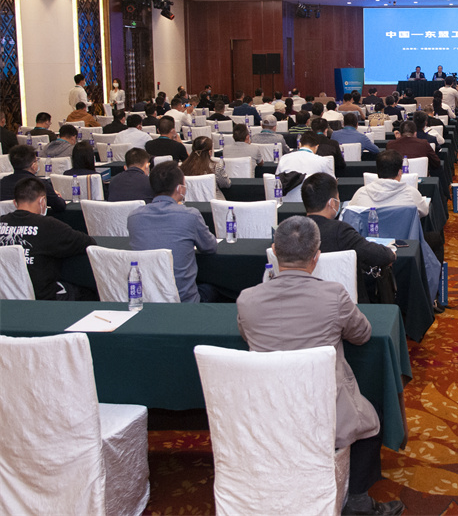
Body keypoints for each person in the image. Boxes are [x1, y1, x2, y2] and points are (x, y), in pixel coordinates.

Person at [236, 216, 404, 516]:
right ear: (317, 257)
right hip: (324, 410)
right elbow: (363, 334)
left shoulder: (247, 299)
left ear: (274, 252)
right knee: (372, 418)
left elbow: (246, 334)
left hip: (267, 410)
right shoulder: (334, 295)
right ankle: (357, 501)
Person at [126, 161, 219, 303]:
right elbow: (210, 247)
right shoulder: (190, 215)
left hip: (147, 298)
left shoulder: (134, 217)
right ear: (180, 189)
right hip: (184, 301)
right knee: (216, 288)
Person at [301, 173, 398, 305]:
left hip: (303, 303)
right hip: (346, 306)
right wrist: (391, 254)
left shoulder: (291, 231)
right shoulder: (340, 231)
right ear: (332, 203)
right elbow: (380, 256)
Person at [0, 177, 95, 300]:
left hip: (5, 297)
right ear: (42, 201)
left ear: (15, 202)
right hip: (43, 296)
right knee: (89, 292)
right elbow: (88, 242)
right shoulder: (48, 225)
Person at [348, 150, 430, 218]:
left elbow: (350, 212)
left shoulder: (361, 193)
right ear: (400, 172)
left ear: (378, 171)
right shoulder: (411, 193)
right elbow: (425, 212)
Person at [0, 145, 67, 212]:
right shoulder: (40, 185)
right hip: (34, 218)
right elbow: (60, 206)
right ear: (33, 166)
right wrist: (55, 194)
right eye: (36, 161)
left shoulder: (2, 183)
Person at [276, 133, 332, 203]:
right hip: (313, 203)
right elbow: (331, 184)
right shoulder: (323, 161)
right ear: (316, 147)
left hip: (285, 203)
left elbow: (277, 181)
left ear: (299, 144)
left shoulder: (284, 158)